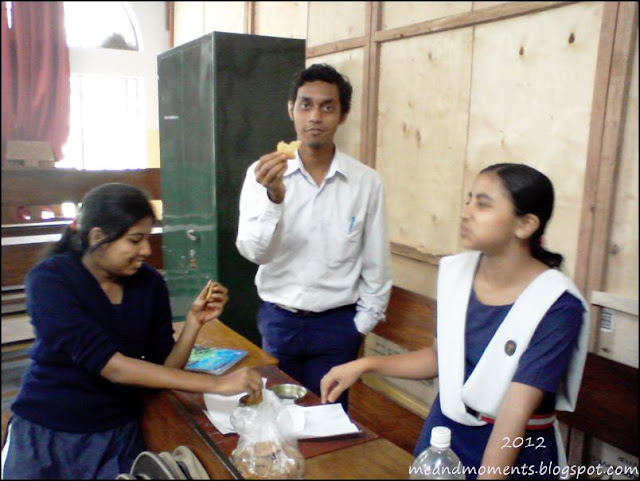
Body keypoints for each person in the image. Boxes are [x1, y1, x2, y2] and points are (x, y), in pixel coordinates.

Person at [320, 163, 590, 480]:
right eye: (469, 199)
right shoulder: (457, 274)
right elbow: (440, 359)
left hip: (515, 452)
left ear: (526, 224)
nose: (466, 212)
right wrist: (364, 365)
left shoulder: (556, 305)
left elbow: (513, 417)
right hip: (444, 440)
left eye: (483, 204)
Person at [1, 183, 263, 480]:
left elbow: (162, 372)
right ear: (98, 236)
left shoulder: (148, 284)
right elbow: (110, 366)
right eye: (135, 240)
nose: (146, 251)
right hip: (49, 430)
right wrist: (216, 384)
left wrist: (193, 323)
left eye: (147, 239)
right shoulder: (51, 279)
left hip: (115, 433)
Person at [236, 63, 392, 410]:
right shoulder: (263, 174)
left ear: (343, 115)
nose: (315, 116)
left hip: (338, 325)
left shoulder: (365, 182)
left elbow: (376, 261)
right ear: (291, 109)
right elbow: (254, 252)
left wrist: (361, 325)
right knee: (276, 416)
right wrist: (275, 197)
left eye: (328, 106)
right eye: (305, 104)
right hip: (280, 320)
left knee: (330, 419)